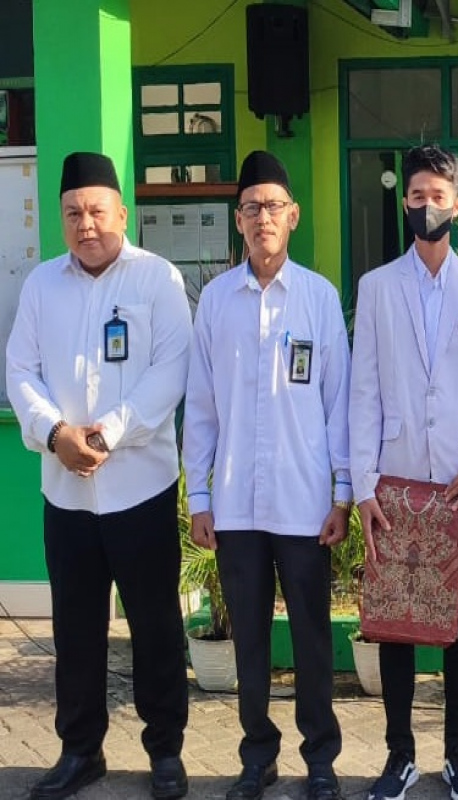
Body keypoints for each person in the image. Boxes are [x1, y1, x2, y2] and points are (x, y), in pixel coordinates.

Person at [6, 152, 192, 800]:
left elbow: (170, 371)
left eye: (96, 211)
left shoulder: (157, 279)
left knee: (156, 627)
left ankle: (165, 751)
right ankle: (80, 750)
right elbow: (19, 371)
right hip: (66, 495)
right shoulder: (42, 286)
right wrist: (56, 433)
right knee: (76, 630)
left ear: (122, 214)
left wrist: (107, 433)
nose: (86, 224)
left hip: (141, 488)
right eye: (73, 213)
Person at [183, 151, 350, 800]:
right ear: (238, 220)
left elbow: (338, 403)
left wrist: (342, 493)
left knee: (312, 637)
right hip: (235, 505)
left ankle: (321, 758)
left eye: (273, 206)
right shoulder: (216, 302)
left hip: (304, 503)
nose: (263, 218)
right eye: (251, 208)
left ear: (294, 216)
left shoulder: (318, 298)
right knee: (248, 639)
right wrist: (199, 496)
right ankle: (257, 755)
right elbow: (200, 406)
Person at [349, 144, 458, 800]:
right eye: (417, 196)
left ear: (457, 204)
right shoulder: (377, 288)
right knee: (396, 620)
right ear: (404, 202)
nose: (427, 206)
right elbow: (363, 392)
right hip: (396, 479)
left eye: (439, 196)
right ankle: (399, 755)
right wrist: (362, 485)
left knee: (457, 618)